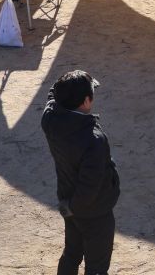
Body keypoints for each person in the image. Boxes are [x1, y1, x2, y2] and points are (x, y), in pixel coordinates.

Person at [41, 70, 120, 275]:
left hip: (68, 201)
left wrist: (69, 208)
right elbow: (89, 187)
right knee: (96, 268)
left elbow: (53, 95)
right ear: (86, 101)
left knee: (71, 254)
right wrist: (75, 207)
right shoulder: (93, 141)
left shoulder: (50, 118)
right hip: (94, 212)